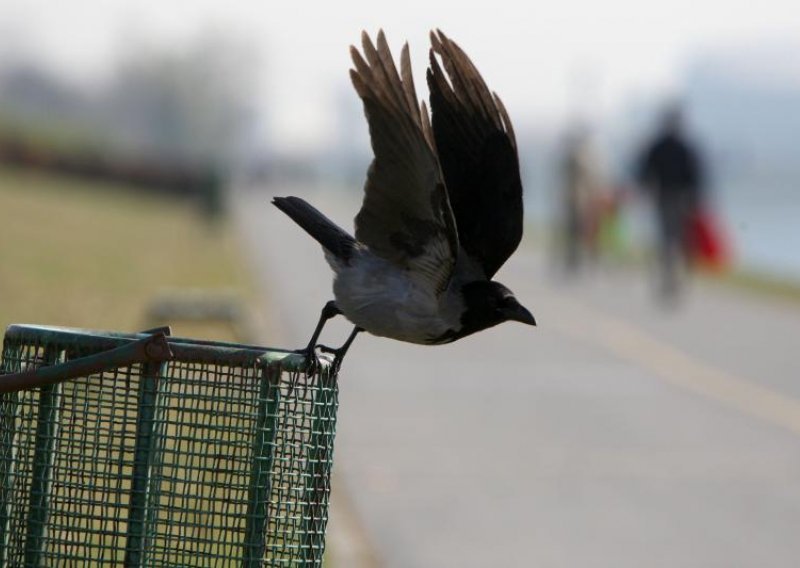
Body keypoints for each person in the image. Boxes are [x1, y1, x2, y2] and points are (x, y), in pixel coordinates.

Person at [636, 104, 706, 301]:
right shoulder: (681, 146)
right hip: (675, 198)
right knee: (677, 239)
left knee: (670, 239)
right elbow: (695, 177)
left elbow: (644, 172)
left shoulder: (662, 146)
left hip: (668, 198)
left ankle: (673, 277)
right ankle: (674, 277)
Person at [559, 126, 604, 273]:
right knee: (575, 230)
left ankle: (578, 258)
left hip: (578, 199)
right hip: (577, 199)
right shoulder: (580, 158)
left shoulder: (575, 157)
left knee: (579, 230)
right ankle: (576, 259)